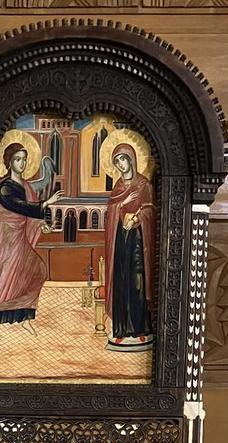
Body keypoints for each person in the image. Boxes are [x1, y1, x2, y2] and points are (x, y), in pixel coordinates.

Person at [0, 143, 61, 341]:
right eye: (17, 159)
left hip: (19, 235)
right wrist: (46, 203)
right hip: (6, 236)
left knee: (36, 271)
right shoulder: (5, 187)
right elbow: (18, 206)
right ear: (9, 162)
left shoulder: (26, 186)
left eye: (24, 159)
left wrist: (42, 226)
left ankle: (25, 315)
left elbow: (31, 215)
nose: (22, 163)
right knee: (3, 277)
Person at [104, 143, 155, 352]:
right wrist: (122, 204)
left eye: (123, 159)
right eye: (117, 162)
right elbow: (111, 211)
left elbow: (150, 210)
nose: (121, 165)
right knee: (121, 282)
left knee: (137, 281)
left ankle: (141, 330)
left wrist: (136, 218)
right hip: (120, 240)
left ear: (131, 159)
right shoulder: (118, 187)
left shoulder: (143, 184)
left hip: (138, 241)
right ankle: (121, 331)